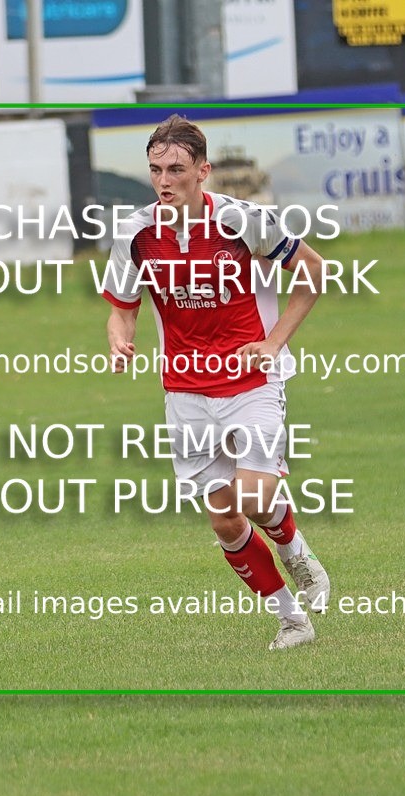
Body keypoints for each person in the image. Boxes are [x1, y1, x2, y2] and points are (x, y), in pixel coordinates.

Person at [102, 114, 331, 651]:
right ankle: (292, 621)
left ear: (202, 171)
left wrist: (275, 343)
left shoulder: (241, 221)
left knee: (254, 496)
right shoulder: (135, 234)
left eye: (176, 168)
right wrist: (120, 338)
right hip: (185, 394)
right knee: (226, 522)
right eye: (156, 169)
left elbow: (314, 272)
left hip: (251, 379)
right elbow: (121, 308)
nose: (164, 180)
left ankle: (295, 549)